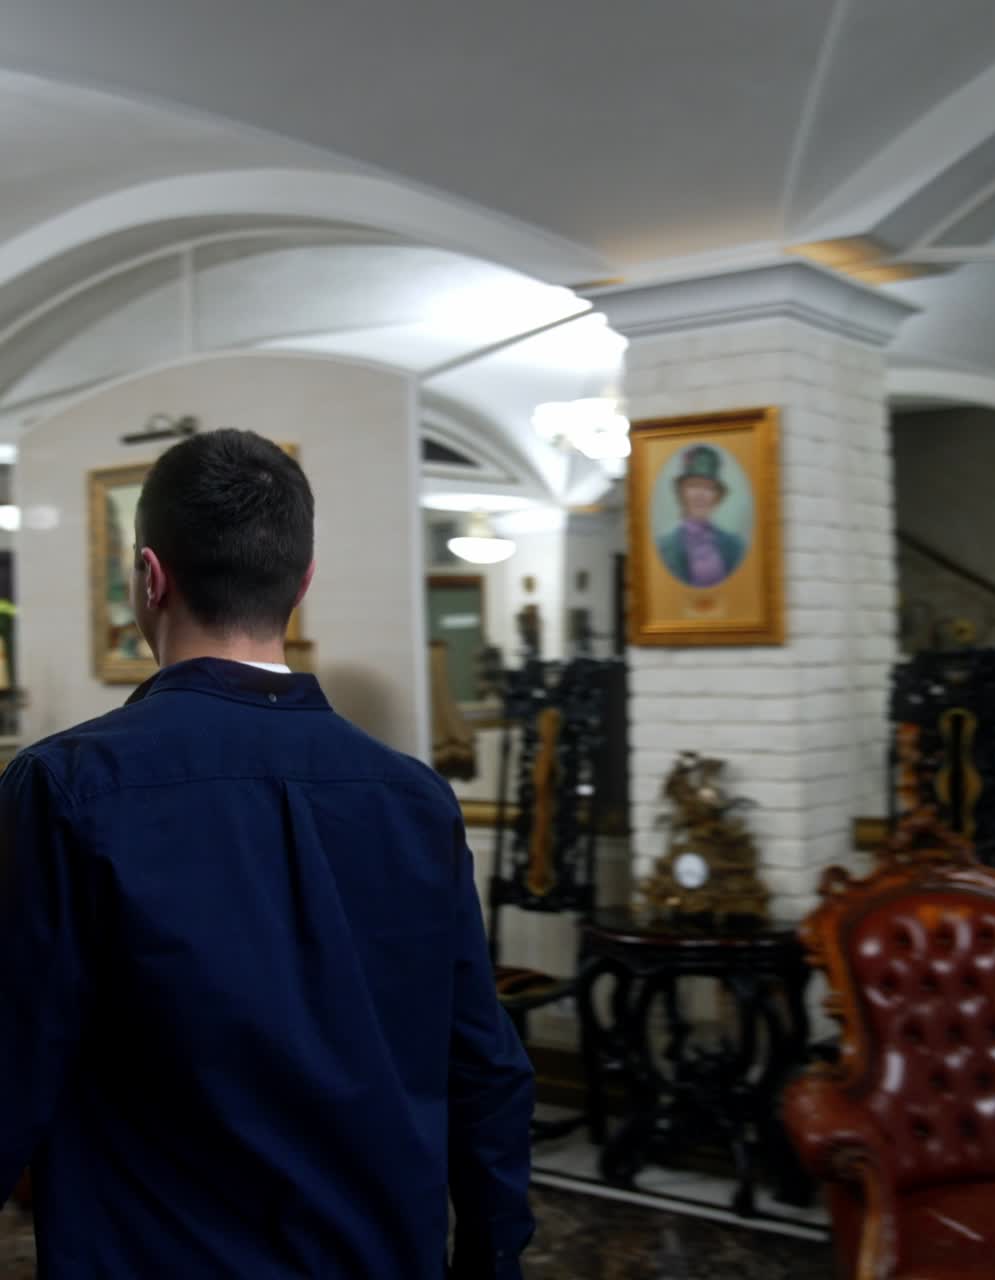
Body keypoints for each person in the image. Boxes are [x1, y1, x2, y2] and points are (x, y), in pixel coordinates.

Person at [0, 429, 534, 1278]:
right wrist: (490, 1256)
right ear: (302, 583)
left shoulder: (67, 789)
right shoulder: (416, 799)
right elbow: (486, 1066)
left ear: (149, 577)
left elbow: (11, 1070)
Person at [656, 444, 745, 588]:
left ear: (717, 496)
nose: (700, 495)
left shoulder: (735, 546)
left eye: (707, 487)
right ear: (682, 493)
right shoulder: (664, 548)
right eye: (693, 486)